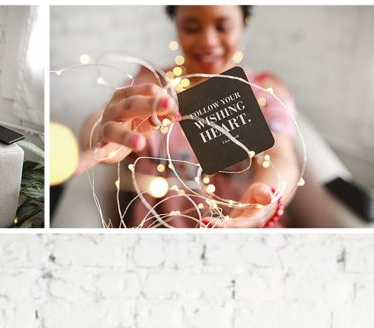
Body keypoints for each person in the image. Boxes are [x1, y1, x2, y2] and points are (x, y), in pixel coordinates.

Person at [79, 5, 300, 228]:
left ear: (244, 23)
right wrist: (102, 132)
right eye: (191, 27)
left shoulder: (263, 91)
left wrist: (261, 205)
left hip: (249, 233)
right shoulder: (151, 88)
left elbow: (281, 157)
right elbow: (98, 124)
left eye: (223, 27)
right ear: (176, 25)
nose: (208, 41)